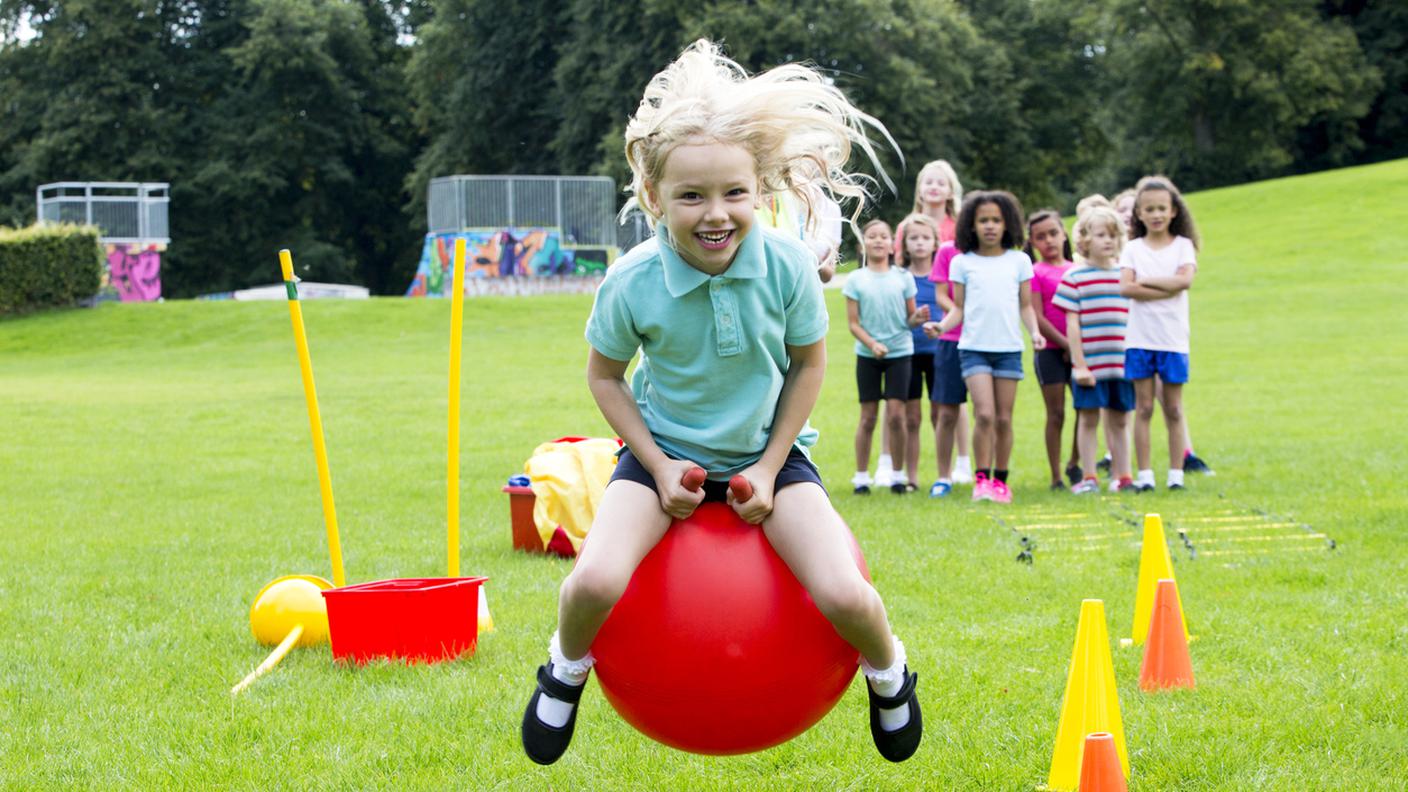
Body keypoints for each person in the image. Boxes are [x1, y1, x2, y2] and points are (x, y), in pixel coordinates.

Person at [520, 39, 922, 766]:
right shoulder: (633, 280)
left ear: (762, 191)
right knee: (594, 581)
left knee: (847, 596)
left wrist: (770, 467)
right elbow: (605, 378)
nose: (716, 214)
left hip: (770, 460)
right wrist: (657, 463)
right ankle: (565, 669)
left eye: (734, 193)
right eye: (691, 196)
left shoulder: (788, 267)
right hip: (658, 463)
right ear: (653, 198)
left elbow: (808, 366)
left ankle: (889, 673)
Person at [923, 191, 1045, 503]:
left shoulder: (1019, 260)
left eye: (996, 220)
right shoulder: (963, 262)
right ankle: (982, 479)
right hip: (973, 348)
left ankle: (1000, 481)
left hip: (1009, 349)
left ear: (1007, 224)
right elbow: (958, 309)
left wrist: (1034, 333)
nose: (990, 226)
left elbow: (1027, 306)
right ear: (972, 225)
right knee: (985, 414)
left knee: (1004, 418)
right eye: (983, 220)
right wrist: (941, 326)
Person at [1119, 175, 1201, 492]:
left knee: (1174, 408)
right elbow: (1126, 287)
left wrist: (1147, 283)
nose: (1156, 215)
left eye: (1161, 209)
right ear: (1139, 214)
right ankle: (1145, 475)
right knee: (1144, 407)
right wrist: (1164, 285)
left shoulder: (1183, 247)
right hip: (1140, 340)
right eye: (1149, 209)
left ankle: (1176, 474)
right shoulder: (1133, 249)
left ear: (1173, 212)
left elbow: (1184, 282)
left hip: (1173, 340)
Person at [1054, 206, 1136, 494]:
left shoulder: (1126, 277)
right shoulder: (1075, 278)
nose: (1108, 241)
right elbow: (1072, 326)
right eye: (1101, 235)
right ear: (1085, 239)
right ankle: (1089, 476)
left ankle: (1124, 476)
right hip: (1091, 365)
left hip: (1122, 363)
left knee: (1120, 418)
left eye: (1114, 235)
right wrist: (1079, 365)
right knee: (1088, 418)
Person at [846, 219, 925, 494]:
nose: (878, 240)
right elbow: (853, 323)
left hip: (900, 353)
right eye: (872, 236)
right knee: (868, 416)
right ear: (863, 244)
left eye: (884, 236)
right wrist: (872, 344)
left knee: (895, 415)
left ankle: (897, 475)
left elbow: (910, 319)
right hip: (868, 355)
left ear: (892, 244)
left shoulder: (903, 278)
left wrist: (919, 318)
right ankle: (861, 477)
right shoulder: (856, 279)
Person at [1024, 209, 1082, 489]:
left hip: (1081, 351)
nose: (1048, 241)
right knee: (1056, 413)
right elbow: (1037, 315)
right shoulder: (1035, 272)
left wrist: (1077, 346)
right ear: (1033, 242)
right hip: (1049, 351)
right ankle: (1055, 474)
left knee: (1084, 408)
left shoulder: (1078, 269)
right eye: (1040, 237)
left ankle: (1075, 462)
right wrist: (1065, 343)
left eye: (1053, 234)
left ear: (1064, 233)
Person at [895, 214, 944, 492]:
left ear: (935, 242)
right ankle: (911, 478)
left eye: (925, 237)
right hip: (908, 353)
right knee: (912, 418)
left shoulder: (943, 277)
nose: (920, 243)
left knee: (940, 416)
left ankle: (942, 474)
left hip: (938, 352)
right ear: (905, 244)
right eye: (914, 238)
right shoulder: (901, 277)